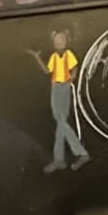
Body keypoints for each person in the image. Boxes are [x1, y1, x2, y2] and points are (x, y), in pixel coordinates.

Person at [29, 29, 90, 173]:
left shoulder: (68, 54)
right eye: (57, 40)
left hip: (64, 87)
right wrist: (37, 57)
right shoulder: (55, 56)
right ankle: (59, 160)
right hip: (55, 87)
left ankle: (82, 153)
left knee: (60, 120)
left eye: (61, 40)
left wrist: (73, 76)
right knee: (60, 123)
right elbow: (47, 71)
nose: (59, 42)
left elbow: (74, 67)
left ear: (66, 41)